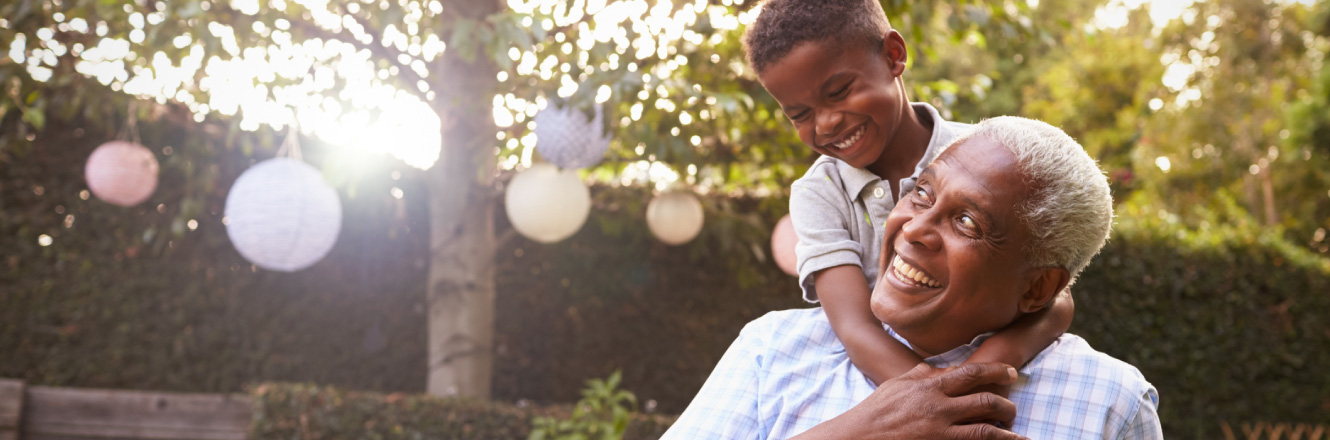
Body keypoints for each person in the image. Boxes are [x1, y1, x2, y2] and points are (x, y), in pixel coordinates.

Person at [662, 117, 1163, 439]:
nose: (914, 227)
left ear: (1038, 289)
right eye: (922, 192)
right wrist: (859, 431)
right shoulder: (773, 350)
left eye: (969, 223)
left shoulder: (1110, 403)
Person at [747, 0, 1075, 387]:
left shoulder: (983, 157)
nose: (826, 122)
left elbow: (1055, 301)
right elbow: (855, 327)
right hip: (888, 381)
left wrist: (978, 374)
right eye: (799, 115)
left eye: (839, 92)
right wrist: (935, 401)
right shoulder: (818, 194)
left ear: (893, 56)